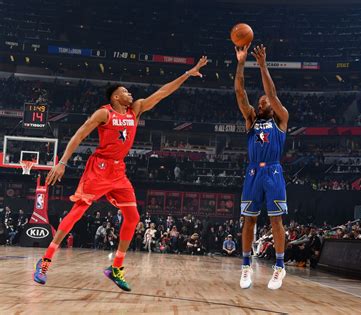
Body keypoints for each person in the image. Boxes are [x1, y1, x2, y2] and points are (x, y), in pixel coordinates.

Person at [33, 57, 208, 291]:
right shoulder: (103, 114)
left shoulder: (135, 110)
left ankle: (115, 268)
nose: (130, 94)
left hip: (119, 170)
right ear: (116, 97)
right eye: (125, 91)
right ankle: (45, 261)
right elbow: (79, 135)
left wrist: (187, 74)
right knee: (77, 213)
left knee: (133, 217)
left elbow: (162, 93)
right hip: (100, 167)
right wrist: (62, 162)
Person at [234, 44, 289, 290]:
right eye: (259, 101)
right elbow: (239, 91)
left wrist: (263, 65)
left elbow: (272, 94)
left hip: (274, 171)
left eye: (263, 101)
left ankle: (279, 267)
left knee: (276, 221)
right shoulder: (251, 120)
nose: (261, 102)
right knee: (249, 220)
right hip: (254, 171)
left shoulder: (281, 118)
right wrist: (241, 62)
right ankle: (246, 266)